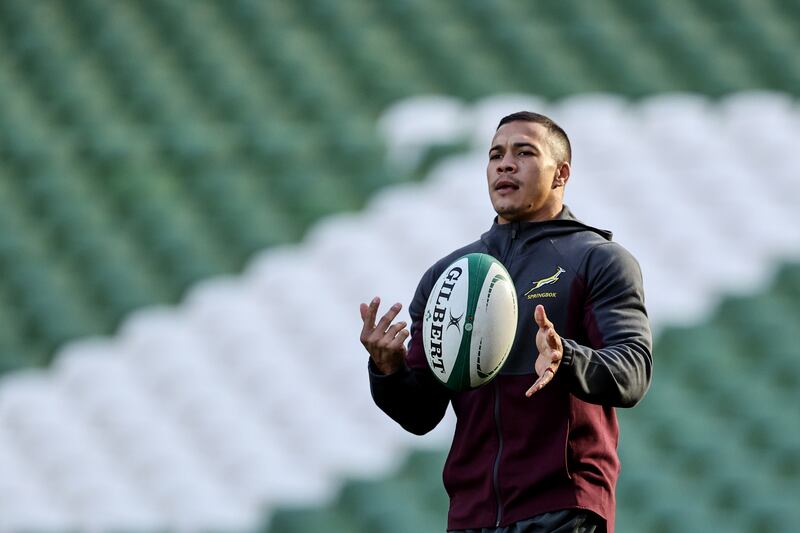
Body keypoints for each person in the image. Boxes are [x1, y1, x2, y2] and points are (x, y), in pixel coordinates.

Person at [360, 111, 652, 533]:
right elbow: (420, 413)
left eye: (524, 152)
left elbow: (633, 371)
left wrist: (566, 358)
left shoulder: (598, 260)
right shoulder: (450, 275)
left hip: (562, 510)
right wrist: (388, 370)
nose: (505, 163)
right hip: (471, 516)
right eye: (495, 154)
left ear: (560, 173)